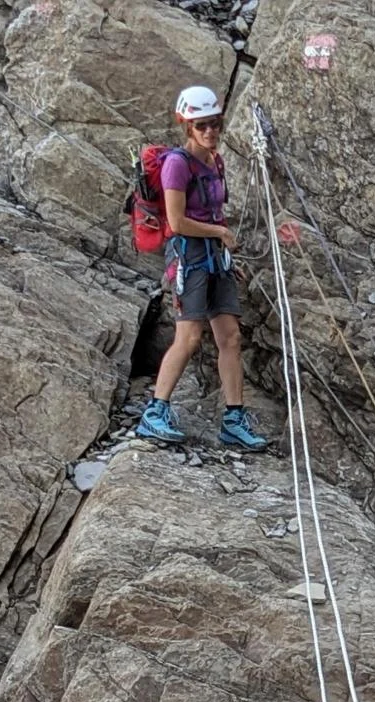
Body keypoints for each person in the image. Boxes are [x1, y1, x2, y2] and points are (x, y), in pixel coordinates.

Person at [136, 86, 267, 451]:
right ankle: (155, 411)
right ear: (186, 126)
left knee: (230, 338)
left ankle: (233, 419)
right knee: (189, 338)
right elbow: (177, 222)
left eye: (215, 124)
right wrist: (221, 234)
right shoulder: (177, 165)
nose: (210, 132)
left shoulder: (215, 161)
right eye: (201, 126)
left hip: (214, 258)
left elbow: (213, 210)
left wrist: (226, 254)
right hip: (191, 258)